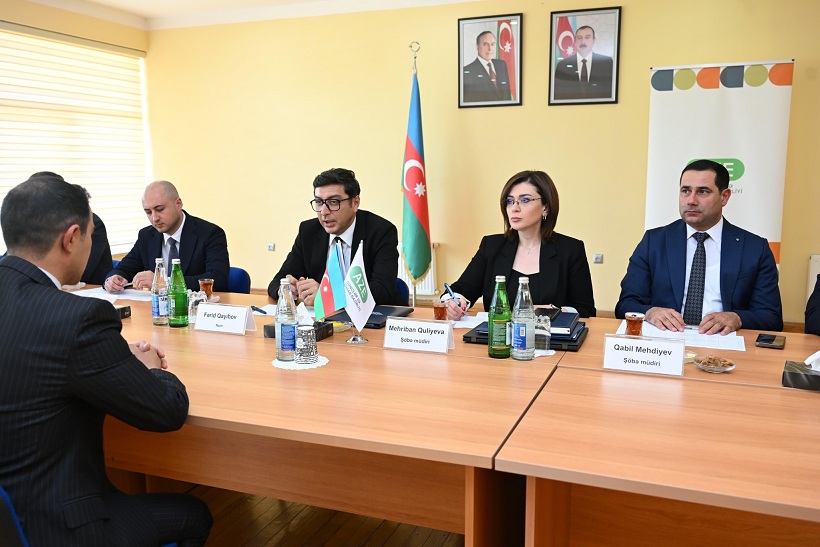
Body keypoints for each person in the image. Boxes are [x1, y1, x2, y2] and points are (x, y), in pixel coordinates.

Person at [0, 173, 212, 546]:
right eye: (91, 234)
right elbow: (166, 411)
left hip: (9, 506)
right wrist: (150, 370)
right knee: (195, 515)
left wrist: (109, 355)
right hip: (58, 522)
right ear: (71, 238)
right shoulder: (76, 318)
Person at [616, 159, 783, 334]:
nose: (691, 200)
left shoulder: (754, 248)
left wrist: (737, 317)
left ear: (724, 197)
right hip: (667, 339)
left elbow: (771, 317)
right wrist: (650, 312)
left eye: (702, 192)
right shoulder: (654, 242)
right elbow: (626, 304)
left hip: (723, 341)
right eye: (685, 191)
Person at [442, 170, 596, 319]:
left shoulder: (570, 250)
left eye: (525, 200)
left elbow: (586, 310)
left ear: (546, 207)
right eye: (509, 201)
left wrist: (552, 312)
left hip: (549, 335)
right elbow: (460, 290)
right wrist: (453, 302)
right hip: (499, 334)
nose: (514, 208)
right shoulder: (491, 246)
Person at [269, 167, 399, 305]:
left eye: (333, 202)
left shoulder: (381, 232)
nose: (324, 212)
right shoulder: (308, 231)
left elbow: (382, 290)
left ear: (355, 203)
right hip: (321, 317)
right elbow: (277, 281)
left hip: (369, 316)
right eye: (319, 202)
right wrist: (285, 289)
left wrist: (328, 296)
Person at [104, 180, 230, 292]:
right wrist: (113, 280)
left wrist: (163, 282)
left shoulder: (210, 234)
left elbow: (218, 279)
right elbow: (124, 268)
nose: (154, 218)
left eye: (160, 209)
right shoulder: (146, 236)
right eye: (148, 212)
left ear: (178, 204)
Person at [1, 172, 113, 285]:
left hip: (90, 288)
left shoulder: (89, 222)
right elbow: (13, 255)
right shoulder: (30, 220)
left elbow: (78, 271)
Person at [553, 25, 614, 100]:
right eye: (579, 38)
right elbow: (558, 95)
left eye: (587, 37)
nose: (583, 42)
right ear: (575, 40)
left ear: (593, 40)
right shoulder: (562, 65)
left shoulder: (607, 63)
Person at [462, 30, 512, 103]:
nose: (490, 48)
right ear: (477, 47)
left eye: (492, 44)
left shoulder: (502, 65)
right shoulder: (467, 71)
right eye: (485, 44)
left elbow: (507, 95)